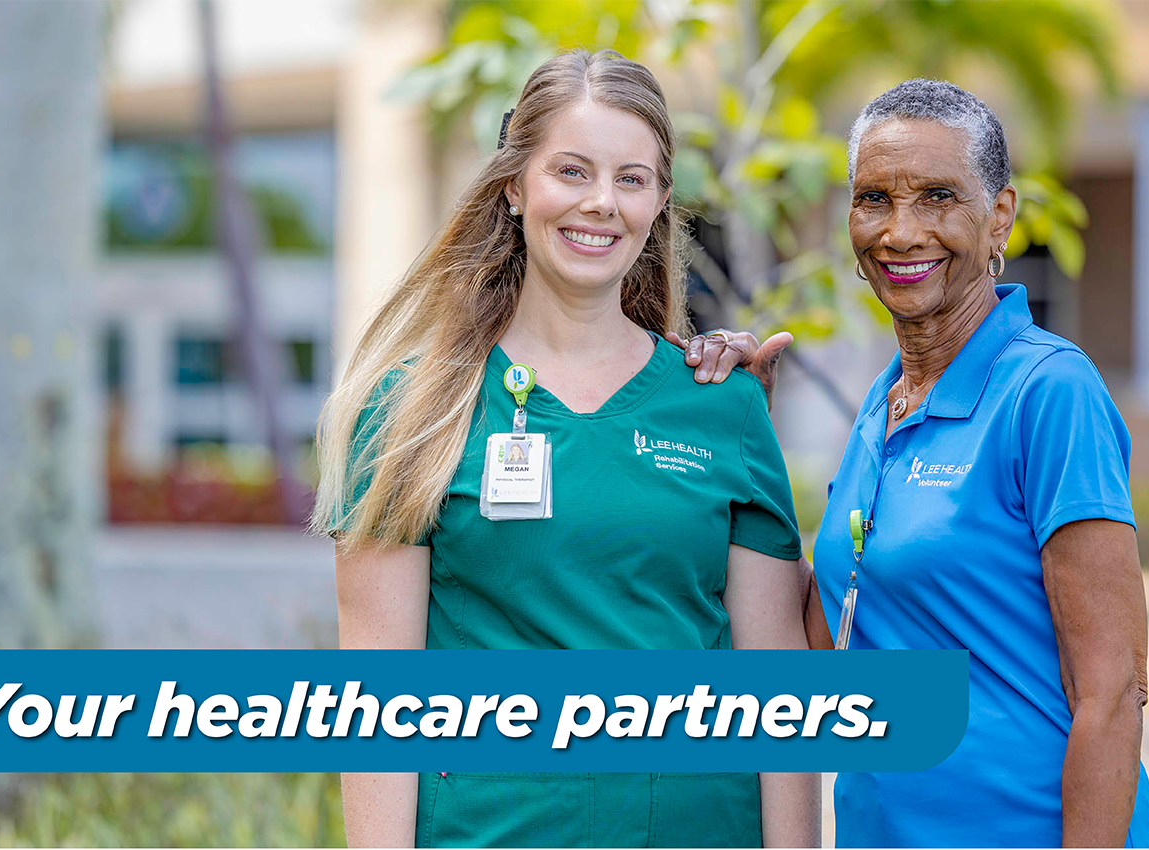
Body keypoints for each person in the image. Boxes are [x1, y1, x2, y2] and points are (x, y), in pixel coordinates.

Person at [313, 49, 819, 848]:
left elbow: (778, 693)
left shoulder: (725, 406)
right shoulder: (412, 411)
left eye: (631, 178)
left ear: (659, 200)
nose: (601, 204)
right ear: (515, 186)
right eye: (571, 171)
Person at [684, 79, 1149, 848]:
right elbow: (819, 639)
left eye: (937, 197)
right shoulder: (883, 405)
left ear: (999, 214)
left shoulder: (1048, 391)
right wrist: (739, 435)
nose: (900, 232)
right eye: (874, 199)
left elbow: (1112, 694)